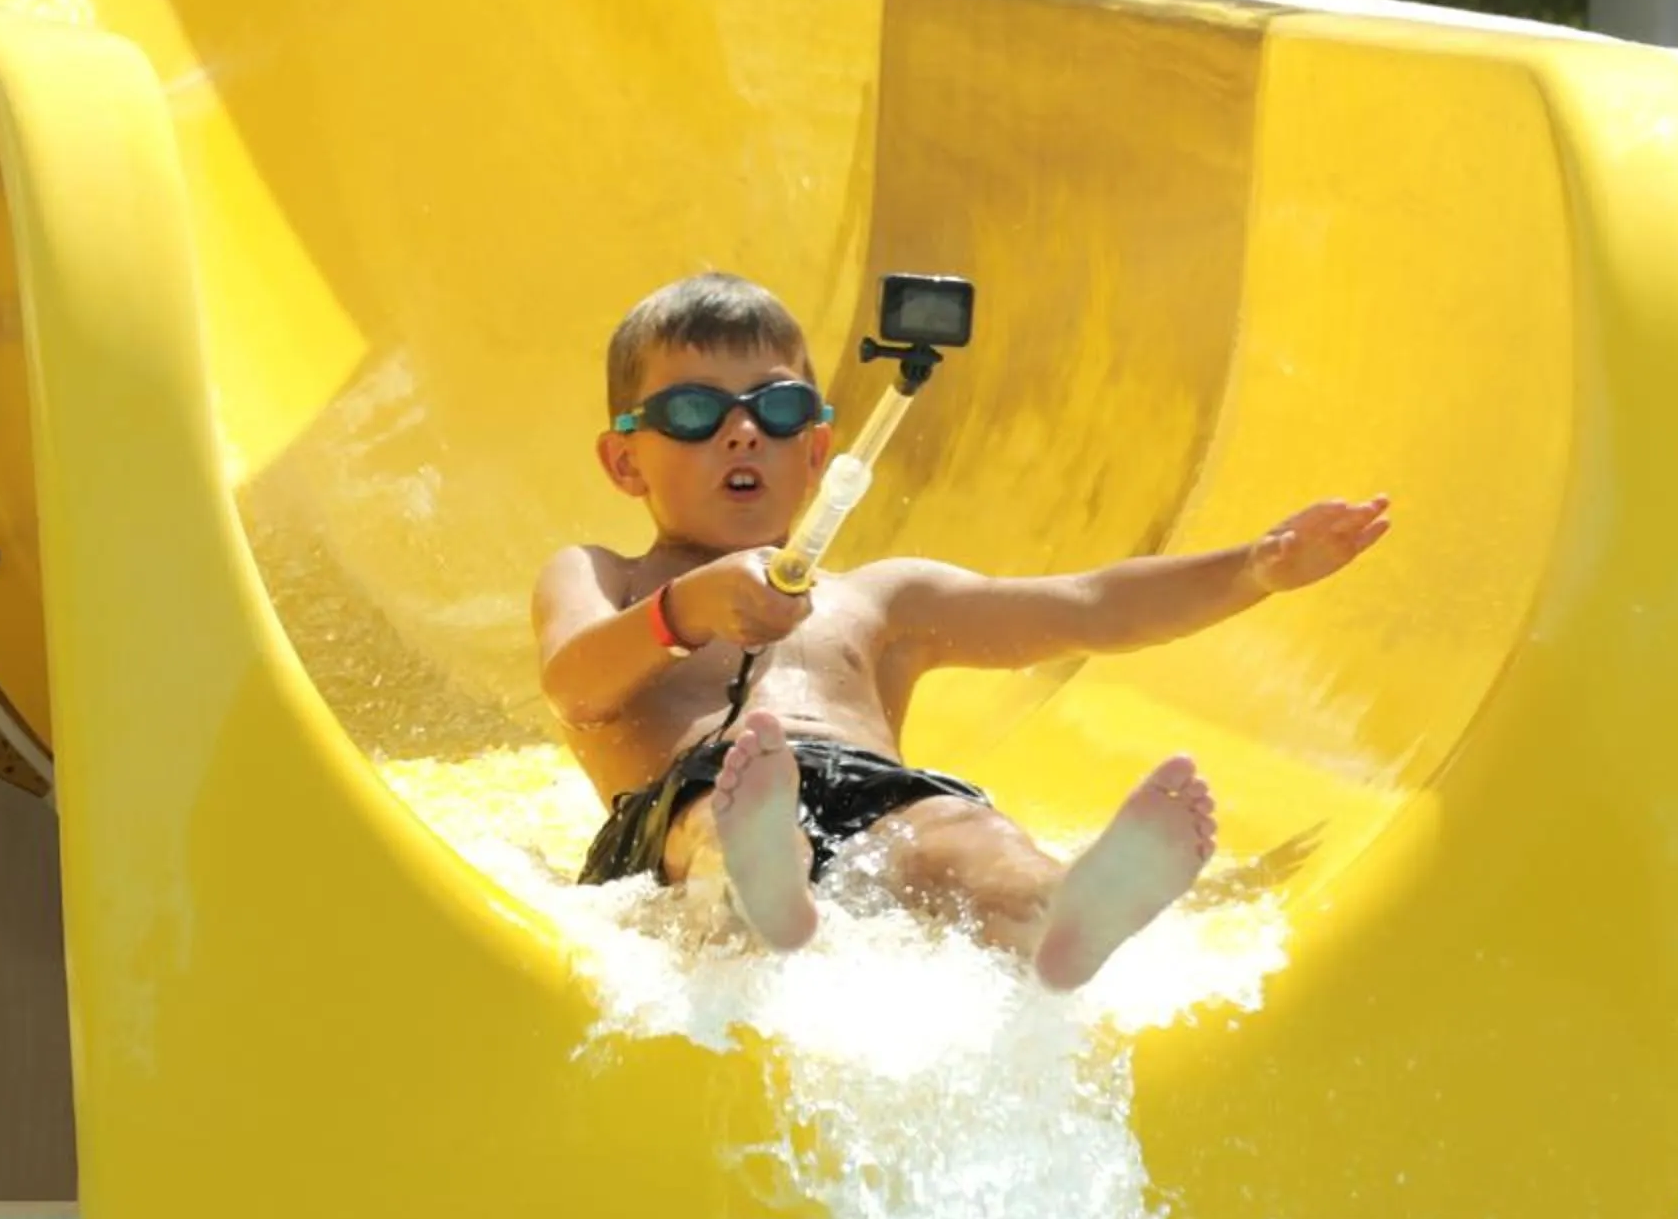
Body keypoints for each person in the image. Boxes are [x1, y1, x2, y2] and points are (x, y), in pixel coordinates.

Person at [532, 272, 1391, 989]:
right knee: (726, 823)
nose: (742, 430)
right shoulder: (611, 578)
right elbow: (575, 686)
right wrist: (682, 612)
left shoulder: (883, 596)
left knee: (960, 833)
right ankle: (759, 888)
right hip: (690, 804)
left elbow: (1086, 606)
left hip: (871, 790)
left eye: (779, 408)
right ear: (624, 460)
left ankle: (1050, 912)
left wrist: (1252, 568)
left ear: (819, 452)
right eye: (692, 412)